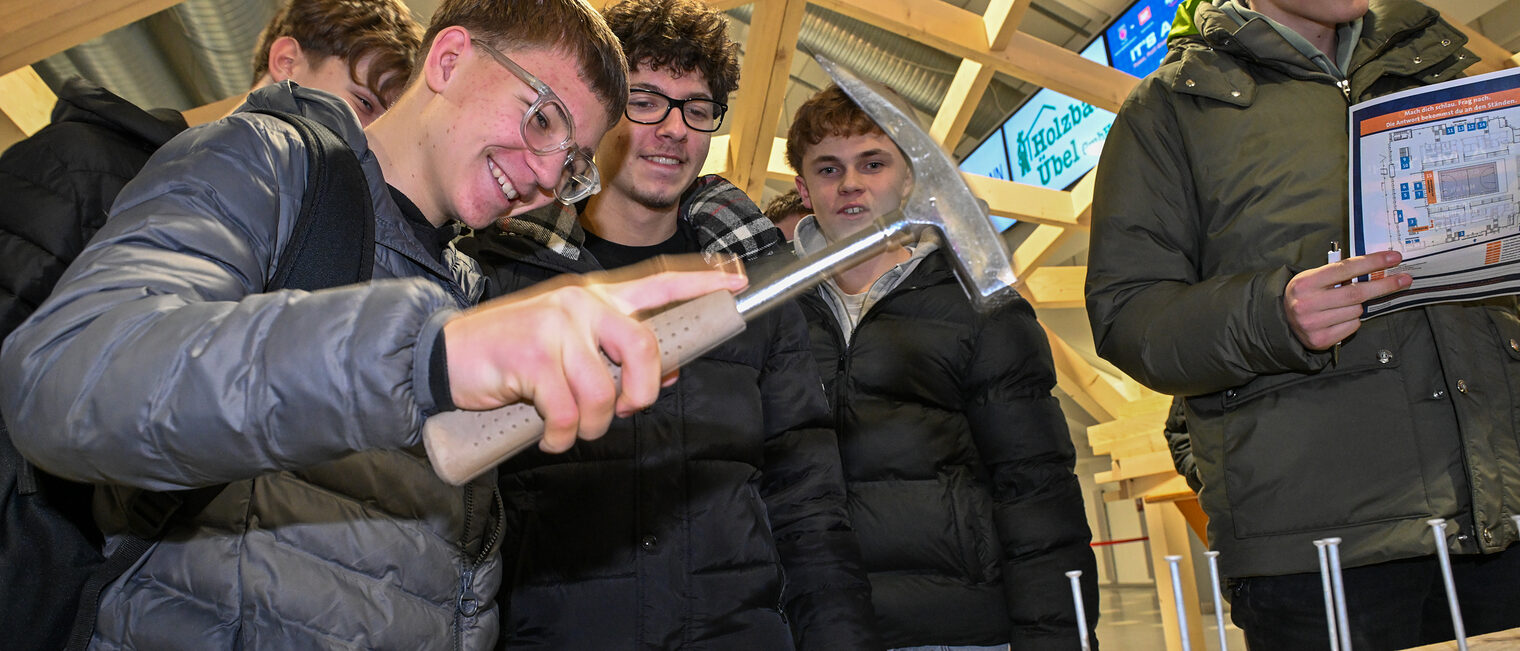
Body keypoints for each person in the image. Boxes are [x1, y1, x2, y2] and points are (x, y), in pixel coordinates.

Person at [0, 0, 750, 646]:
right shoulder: (269, 162)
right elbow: (66, 376)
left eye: (575, 161)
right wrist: (426, 358)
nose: (548, 175)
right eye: (542, 117)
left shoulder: (469, 286)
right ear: (450, 58)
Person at [1085, 0, 1520, 647]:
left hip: (1502, 506)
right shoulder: (1170, 112)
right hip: (1322, 549)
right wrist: (1273, 315)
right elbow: (1126, 313)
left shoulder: (1442, 66)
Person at [459, 0, 878, 647]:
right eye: (647, 100)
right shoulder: (505, 276)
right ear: (598, 113)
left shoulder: (758, 294)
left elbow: (810, 507)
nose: (675, 128)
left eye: (697, 107)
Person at [785, 83, 1099, 649]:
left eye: (872, 163)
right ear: (804, 191)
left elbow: (1035, 488)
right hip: (820, 628)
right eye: (829, 169)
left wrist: (1057, 638)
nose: (851, 183)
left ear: (908, 177)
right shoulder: (776, 316)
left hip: (962, 630)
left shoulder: (980, 304)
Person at [0, 0, 423, 342]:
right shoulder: (83, 161)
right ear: (287, 61)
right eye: (365, 103)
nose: (371, 137)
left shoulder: (325, 247)